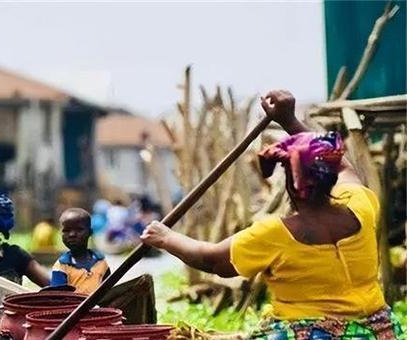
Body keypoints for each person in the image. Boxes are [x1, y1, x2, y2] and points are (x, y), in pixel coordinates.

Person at [140, 90, 404, 339]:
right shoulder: (361, 205)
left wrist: (166, 238)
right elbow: (345, 168)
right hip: (376, 330)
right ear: (330, 175)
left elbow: (212, 261)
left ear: (290, 182)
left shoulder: (275, 234)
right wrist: (290, 120)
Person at [51, 208, 110, 294]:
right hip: (74, 307)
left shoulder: (101, 262)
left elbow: (109, 291)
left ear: (90, 232)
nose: (72, 234)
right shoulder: (61, 267)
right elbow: (58, 298)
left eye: (79, 230)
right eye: (66, 231)